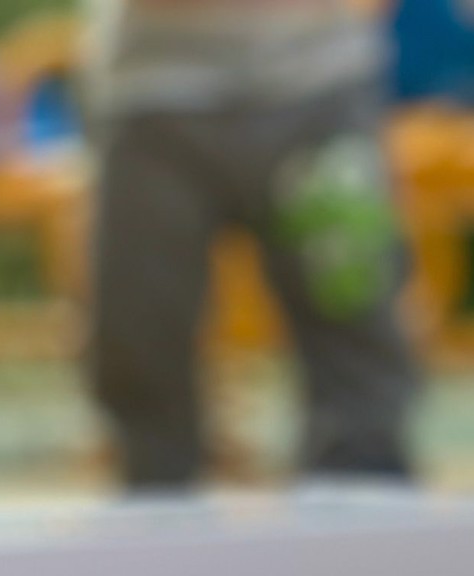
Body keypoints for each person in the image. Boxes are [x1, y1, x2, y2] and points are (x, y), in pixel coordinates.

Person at [82, 0, 421, 490]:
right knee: (141, 325)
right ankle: (154, 494)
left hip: (322, 86)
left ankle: (367, 497)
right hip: (154, 97)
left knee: (353, 310)